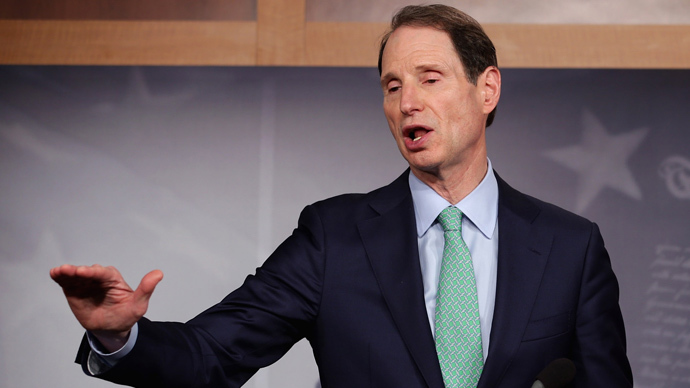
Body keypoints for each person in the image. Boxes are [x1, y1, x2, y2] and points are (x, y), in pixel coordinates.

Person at [50, 4, 633, 387]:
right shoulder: (334, 237)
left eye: (429, 79)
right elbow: (213, 355)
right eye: (392, 85)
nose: (407, 102)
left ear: (488, 88)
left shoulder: (570, 247)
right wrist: (118, 335)